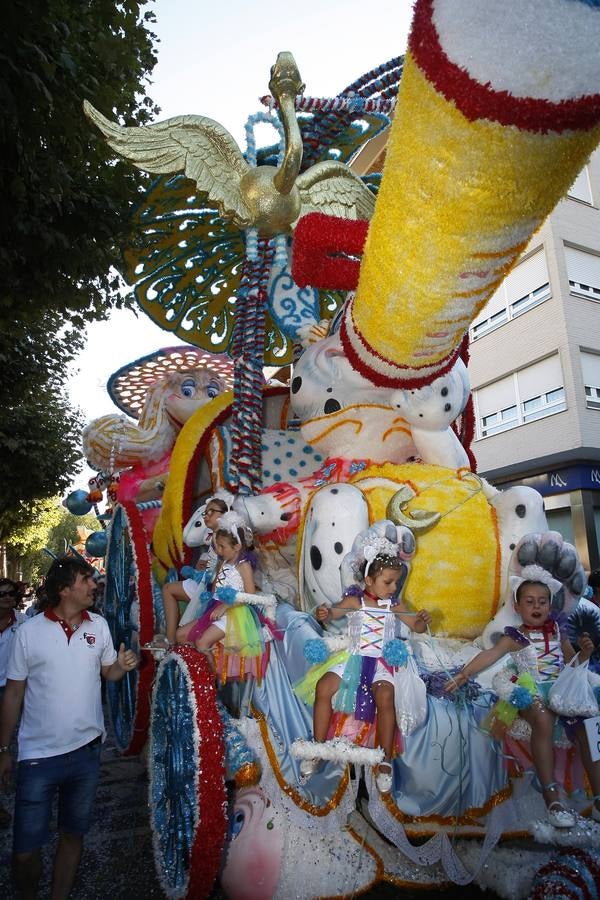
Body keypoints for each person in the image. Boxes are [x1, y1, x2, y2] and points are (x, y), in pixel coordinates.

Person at [0, 556, 138, 900]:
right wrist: (3, 750)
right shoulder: (29, 632)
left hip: (86, 754)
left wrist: (121, 665)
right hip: (37, 758)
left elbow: (109, 674)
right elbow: (14, 692)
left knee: (73, 835)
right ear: (64, 590)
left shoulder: (99, 626)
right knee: (24, 852)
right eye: (86, 579)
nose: (94, 585)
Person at [446, 567, 600, 828]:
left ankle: (597, 797)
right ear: (517, 606)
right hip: (529, 690)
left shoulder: (558, 632)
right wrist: (465, 674)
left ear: (550, 605)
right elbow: (490, 655)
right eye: (529, 602)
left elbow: (571, 663)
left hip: (560, 690)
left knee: (589, 725)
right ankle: (552, 797)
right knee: (542, 718)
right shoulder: (516, 636)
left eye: (542, 602)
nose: (536, 606)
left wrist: (583, 654)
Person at [299, 554, 431, 793]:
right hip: (354, 658)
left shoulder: (395, 605)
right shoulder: (355, 601)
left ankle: (384, 761)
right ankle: (317, 748)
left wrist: (421, 620)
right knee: (324, 686)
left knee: (385, 696)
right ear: (369, 580)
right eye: (388, 582)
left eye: (396, 583)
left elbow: (417, 626)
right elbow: (333, 612)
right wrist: (324, 613)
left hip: (382, 662)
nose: (393, 588)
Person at [160, 495, 229, 645]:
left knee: (185, 634)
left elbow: (226, 569)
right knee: (168, 589)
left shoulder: (228, 537)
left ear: (224, 514)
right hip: (204, 583)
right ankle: (170, 640)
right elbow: (209, 564)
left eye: (212, 512)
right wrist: (200, 567)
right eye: (205, 513)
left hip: (216, 591)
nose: (207, 516)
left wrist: (209, 573)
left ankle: (175, 641)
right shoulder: (213, 537)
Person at [0, 579, 26, 828]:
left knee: (14, 739)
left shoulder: (24, 624)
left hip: (14, 689)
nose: (8, 598)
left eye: (11, 594)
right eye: (3, 594)